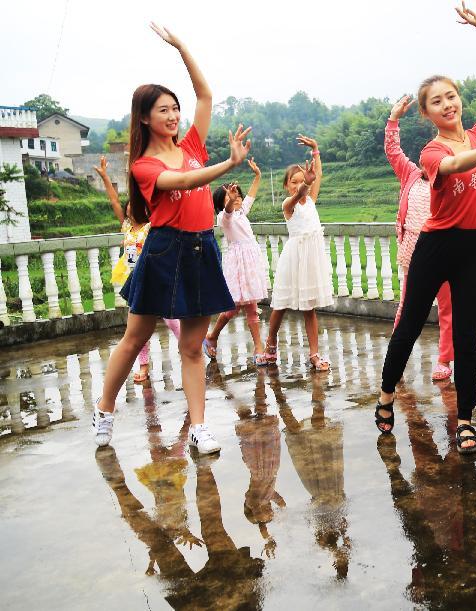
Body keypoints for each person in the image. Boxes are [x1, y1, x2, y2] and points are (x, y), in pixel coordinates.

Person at [92, 23, 251, 454]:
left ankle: (198, 427)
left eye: (175, 108)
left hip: (201, 247)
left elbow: (205, 95)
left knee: (192, 347)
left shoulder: (192, 145)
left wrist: (181, 47)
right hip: (164, 250)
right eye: (163, 110)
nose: (173, 115)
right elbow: (181, 180)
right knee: (135, 337)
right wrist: (227, 165)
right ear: (145, 117)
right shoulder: (144, 165)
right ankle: (104, 408)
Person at [377, 2, 476, 455]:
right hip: (436, 246)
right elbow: (455, 166)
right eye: (436, 101)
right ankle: (386, 394)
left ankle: (464, 419)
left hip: (474, 247)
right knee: (409, 325)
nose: (447, 104)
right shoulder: (432, 152)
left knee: (466, 337)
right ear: (426, 113)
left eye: (451, 96)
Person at [385, 95, 454, 381]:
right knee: (407, 307)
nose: (429, 161)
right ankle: (396, 357)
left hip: (442, 250)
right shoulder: (410, 175)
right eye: (426, 156)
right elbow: (393, 152)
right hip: (412, 250)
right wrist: (394, 119)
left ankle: (445, 360)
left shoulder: (449, 178)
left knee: (447, 308)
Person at [95, 155, 181, 383]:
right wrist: (105, 177)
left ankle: (192, 349)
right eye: (130, 205)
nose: (131, 207)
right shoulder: (126, 227)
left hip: (154, 276)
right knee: (138, 328)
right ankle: (143, 366)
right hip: (135, 281)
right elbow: (114, 201)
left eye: (137, 204)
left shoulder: (151, 226)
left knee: (171, 318)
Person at [264, 137, 334, 371]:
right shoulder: (288, 204)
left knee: (309, 308)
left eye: (301, 181)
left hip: (310, 259)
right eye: (293, 182)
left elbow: (317, 175)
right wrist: (306, 184)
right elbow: (298, 195)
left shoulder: (311, 200)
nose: (298, 185)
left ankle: (314, 354)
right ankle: (270, 342)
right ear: (286, 186)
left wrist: (316, 150)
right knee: (280, 305)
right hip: (294, 258)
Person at [203, 157, 268, 365]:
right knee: (232, 309)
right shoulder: (224, 218)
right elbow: (229, 212)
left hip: (251, 264)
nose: (237, 198)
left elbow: (251, 195)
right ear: (221, 203)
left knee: (250, 307)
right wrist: (230, 201)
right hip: (239, 266)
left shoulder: (242, 212)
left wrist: (257, 175)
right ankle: (213, 336)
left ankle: (258, 347)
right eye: (231, 196)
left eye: (238, 195)